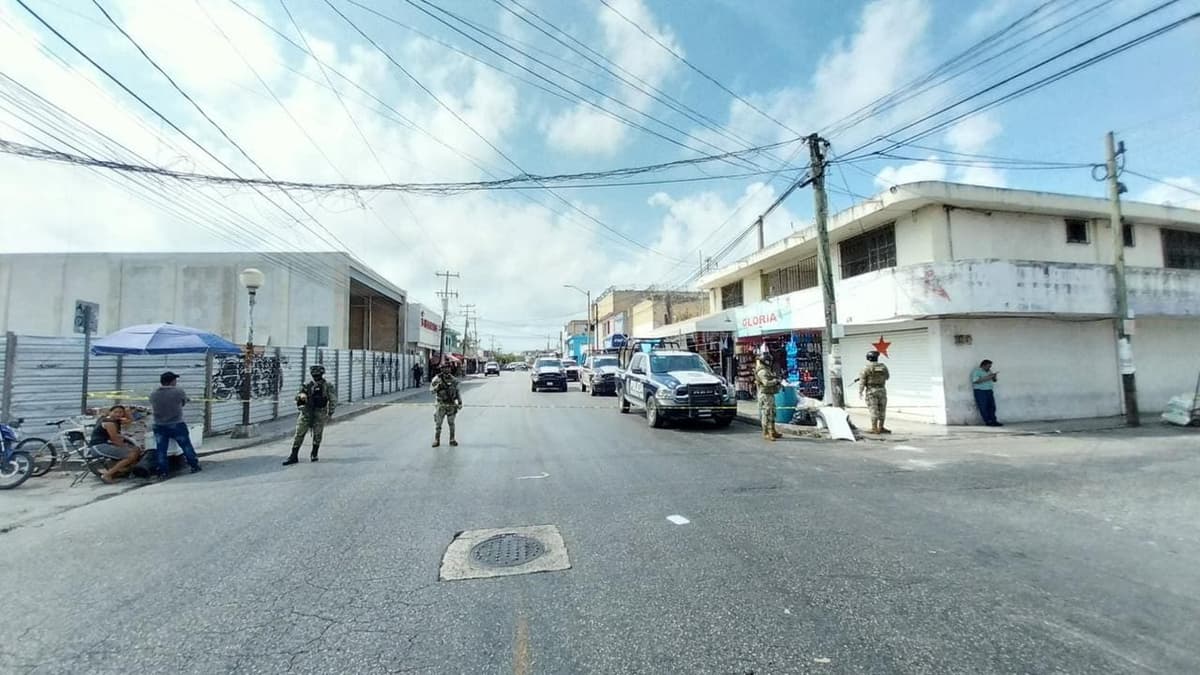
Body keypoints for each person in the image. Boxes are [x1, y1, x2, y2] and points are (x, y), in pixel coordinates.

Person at [148, 371, 202, 478]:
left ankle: (163, 471)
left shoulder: (154, 393)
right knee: (186, 445)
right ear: (172, 381)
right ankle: (194, 465)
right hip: (176, 423)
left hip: (159, 424)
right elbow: (183, 403)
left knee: (161, 449)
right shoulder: (178, 391)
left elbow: (152, 403)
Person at [284, 365, 337, 465]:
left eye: (317, 374)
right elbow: (299, 398)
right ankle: (294, 455)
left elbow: (332, 399)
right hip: (307, 412)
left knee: (317, 434)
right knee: (300, 433)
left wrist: (330, 412)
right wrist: (302, 406)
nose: (316, 376)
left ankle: (314, 453)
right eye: (315, 374)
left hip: (319, 411)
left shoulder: (327, 385)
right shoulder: (306, 385)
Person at [89, 405, 144, 484]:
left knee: (137, 450)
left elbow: (130, 420)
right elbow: (115, 440)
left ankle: (120, 470)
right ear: (110, 412)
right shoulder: (109, 422)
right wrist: (127, 448)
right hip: (99, 446)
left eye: (121, 412)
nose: (118, 414)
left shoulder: (115, 420)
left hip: (105, 444)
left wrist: (127, 412)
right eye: (115, 412)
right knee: (132, 455)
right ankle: (108, 474)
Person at [858, 350, 891, 434]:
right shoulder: (883, 367)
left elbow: (862, 381)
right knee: (882, 410)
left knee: (873, 410)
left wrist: (860, 391)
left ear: (868, 358)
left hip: (871, 391)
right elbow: (887, 377)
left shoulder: (865, 368)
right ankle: (881, 427)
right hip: (882, 390)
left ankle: (874, 428)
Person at [430, 361, 462, 447]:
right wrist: (437, 387)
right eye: (444, 368)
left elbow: (458, 392)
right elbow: (431, 391)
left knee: (451, 423)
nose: (447, 369)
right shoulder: (437, 379)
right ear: (441, 369)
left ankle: (452, 439)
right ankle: (437, 440)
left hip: (451, 404)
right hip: (441, 404)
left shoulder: (454, 380)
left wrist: (460, 402)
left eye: (448, 367)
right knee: (438, 424)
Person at [754, 352, 783, 441]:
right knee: (766, 413)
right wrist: (775, 381)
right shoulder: (762, 371)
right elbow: (766, 383)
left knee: (772, 412)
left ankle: (773, 430)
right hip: (765, 395)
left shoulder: (767, 370)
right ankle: (766, 432)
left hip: (769, 394)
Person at [971, 359, 1002, 426]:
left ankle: (994, 420)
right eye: (988, 366)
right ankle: (988, 421)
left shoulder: (989, 371)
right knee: (983, 407)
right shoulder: (977, 371)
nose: (990, 368)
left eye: (990, 366)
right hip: (980, 391)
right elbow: (976, 381)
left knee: (992, 406)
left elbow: (994, 380)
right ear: (983, 365)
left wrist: (994, 377)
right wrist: (988, 377)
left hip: (989, 391)